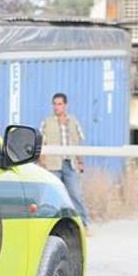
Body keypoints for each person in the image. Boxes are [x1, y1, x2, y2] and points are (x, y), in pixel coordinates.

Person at [39, 92, 90, 231]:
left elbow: (78, 143)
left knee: (75, 194)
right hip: (53, 164)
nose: (57, 107)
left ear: (65, 105)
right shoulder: (47, 122)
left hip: (70, 163)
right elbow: (41, 145)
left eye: (59, 104)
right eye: (54, 104)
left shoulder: (73, 121)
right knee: (53, 196)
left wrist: (80, 162)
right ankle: (51, 228)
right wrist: (42, 164)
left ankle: (84, 225)